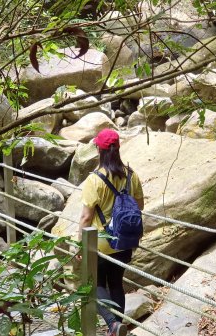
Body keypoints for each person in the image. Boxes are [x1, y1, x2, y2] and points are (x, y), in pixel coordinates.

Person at [78, 128, 144, 336]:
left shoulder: (94, 180)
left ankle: (112, 325)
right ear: (118, 148)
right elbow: (139, 205)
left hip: (100, 243)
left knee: (93, 285)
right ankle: (117, 328)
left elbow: (86, 218)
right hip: (124, 240)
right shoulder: (131, 175)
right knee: (116, 283)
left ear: (99, 149)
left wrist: (80, 244)